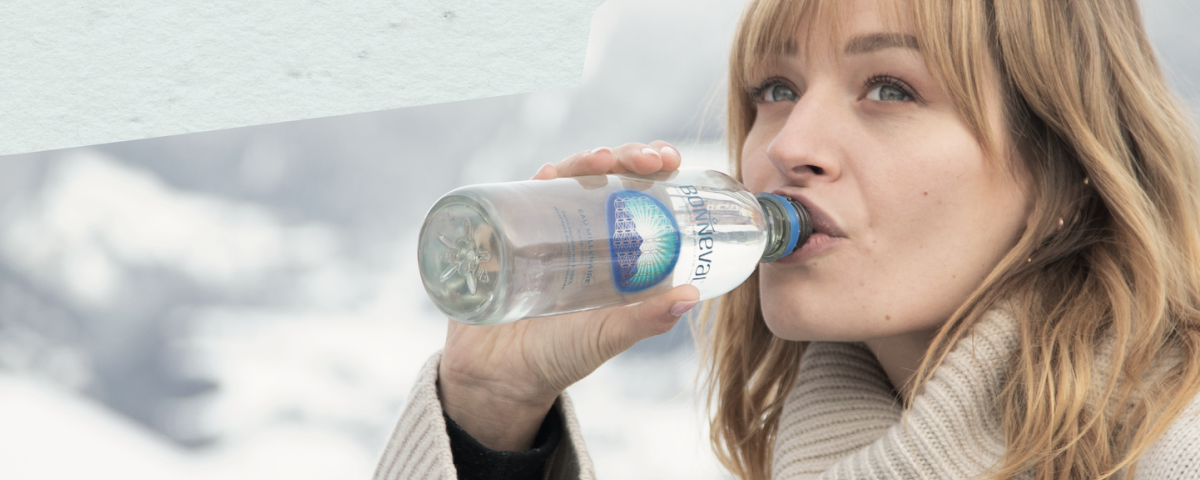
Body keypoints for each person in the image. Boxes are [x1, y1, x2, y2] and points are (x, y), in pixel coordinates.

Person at [376, 0, 1200, 478]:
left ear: (1064, 165)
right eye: (776, 88)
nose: (786, 144)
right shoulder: (811, 450)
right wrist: (491, 413)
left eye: (889, 88)